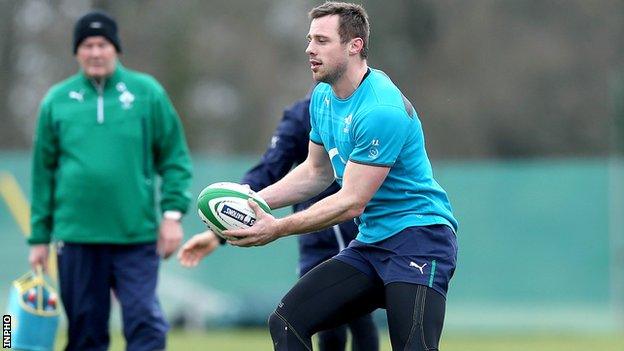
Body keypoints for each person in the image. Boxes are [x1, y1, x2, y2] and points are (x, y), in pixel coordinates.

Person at [179, 2, 458, 350]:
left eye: (322, 40)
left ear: (354, 45)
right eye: (310, 39)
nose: (309, 49)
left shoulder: (380, 109)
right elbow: (315, 173)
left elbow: (352, 201)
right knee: (286, 321)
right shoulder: (323, 98)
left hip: (419, 240)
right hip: (372, 244)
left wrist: (276, 228)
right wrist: (254, 201)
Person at [28, 11, 193, 351]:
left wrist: (172, 215)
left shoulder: (147, 93)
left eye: (102, 44)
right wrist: (38, 238)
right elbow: (43, 175)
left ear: (116, 48)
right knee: (85, 331)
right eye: (87, 45)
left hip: (136, 235)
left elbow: (174, 159)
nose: (95, 52)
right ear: (77, 51)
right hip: (76, 238)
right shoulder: (56, 101)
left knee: (144, 322)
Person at [241, 93, 379, 351]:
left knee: (359, 316)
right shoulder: (305, 112)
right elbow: (272, 166)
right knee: (323, 323)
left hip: (354, 226)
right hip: (312, 232)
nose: (312, 51)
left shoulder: (372, 105)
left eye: (321, 48)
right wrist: (238, 204)